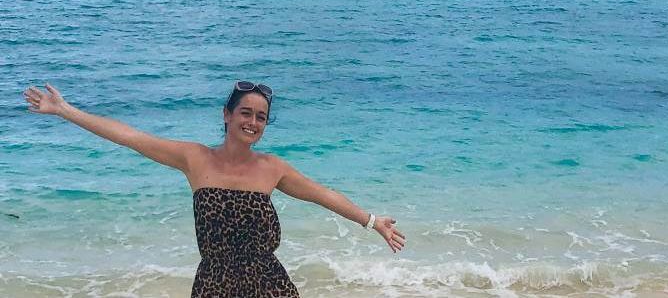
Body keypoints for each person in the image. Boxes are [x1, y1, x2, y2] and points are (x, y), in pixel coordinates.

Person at [23, 81, 405, 298]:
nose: (253, 122)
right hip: (214, 283)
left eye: (261, 117)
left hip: (268, 282)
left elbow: (325, 196)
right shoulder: (195, 159)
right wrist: (65, 110)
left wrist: (372, 221)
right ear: (226, 115)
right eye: (245, 113)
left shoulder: (273, 168)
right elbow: (130, 137)